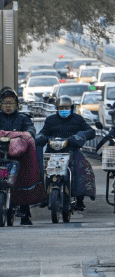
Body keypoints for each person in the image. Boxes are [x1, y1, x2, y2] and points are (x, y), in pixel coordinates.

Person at [36, 95, 97, 211]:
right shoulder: (50, 120)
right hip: (52, 152)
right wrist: (41, 137)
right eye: (61, 107)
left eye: (66, 107)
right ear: (57, 108)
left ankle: (79, 198)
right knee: (41, 170)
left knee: (82, 168)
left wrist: (79, 136)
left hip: (72, 151)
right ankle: (44, 196)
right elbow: (42, 132)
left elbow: (90, 131)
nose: (64, 109)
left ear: (72, 107)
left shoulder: (78, 119)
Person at [0, 86, 45, 224]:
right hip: (2, 155)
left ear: (16, 104)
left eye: (11, 102)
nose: (8, 105)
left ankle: (25, 210)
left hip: (19, 156)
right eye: (5, 102)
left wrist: (27, 134)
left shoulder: (23, 118)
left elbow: (30, 129)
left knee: (25, 172)